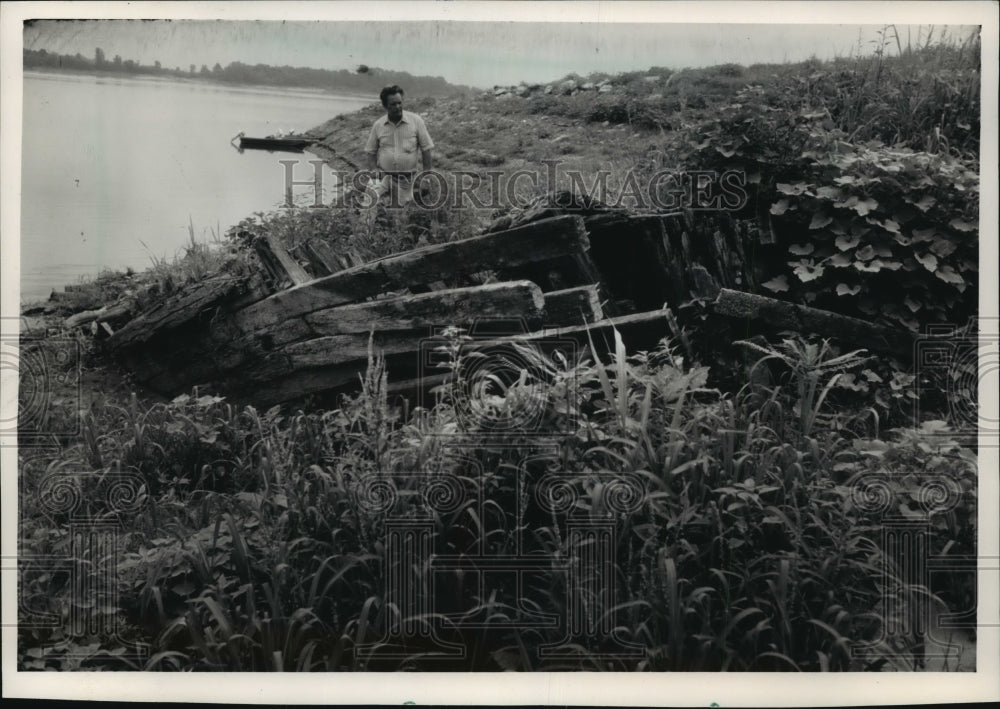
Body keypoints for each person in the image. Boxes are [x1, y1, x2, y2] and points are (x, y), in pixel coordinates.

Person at [363, 85, 435, 213]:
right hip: (383, 177)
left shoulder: (416, 121)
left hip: (407, 179)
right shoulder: (378, 125)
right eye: (393, 104)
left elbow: (427, 150)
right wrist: (374, 171)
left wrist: (426, 177)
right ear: (385, 106)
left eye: (399, 103)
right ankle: (364, 225)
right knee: (368, 206)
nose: (397, 107)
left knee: (401, 215)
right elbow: (370, 152)